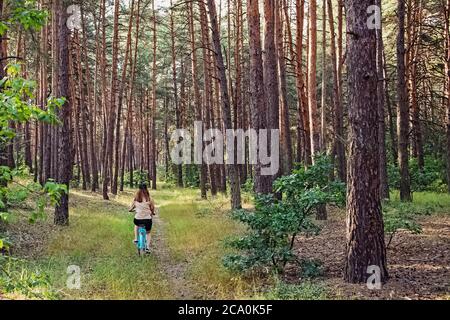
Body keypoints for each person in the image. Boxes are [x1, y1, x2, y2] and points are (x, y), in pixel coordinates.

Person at [129, 183, 156, 253]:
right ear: (146, 189)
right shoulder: (150, 198)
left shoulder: (136, 199)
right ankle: (147, 247)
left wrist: (132, 210)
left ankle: (136, 239)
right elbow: (152, 208)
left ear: (138, 190)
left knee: (136, 225)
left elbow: (131, 208)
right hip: (147, 220)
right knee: (148, 232)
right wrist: (152, 212)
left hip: (137, 220)